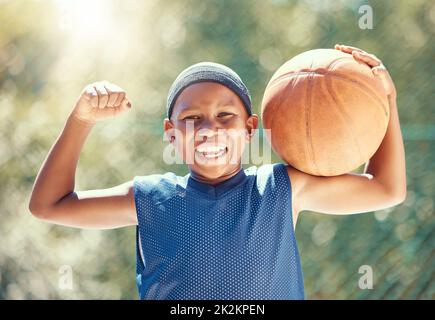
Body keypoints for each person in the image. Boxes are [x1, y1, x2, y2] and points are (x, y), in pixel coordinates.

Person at [28, 44, 407, 299]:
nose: (209, 128)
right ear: (171, 134)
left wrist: (386, 98)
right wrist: (81, 120)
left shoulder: (282, 188)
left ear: (249, 128)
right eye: (192, 118)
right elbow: (49, 205)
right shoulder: (150, 198)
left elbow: (386, 189)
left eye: (225, 115)